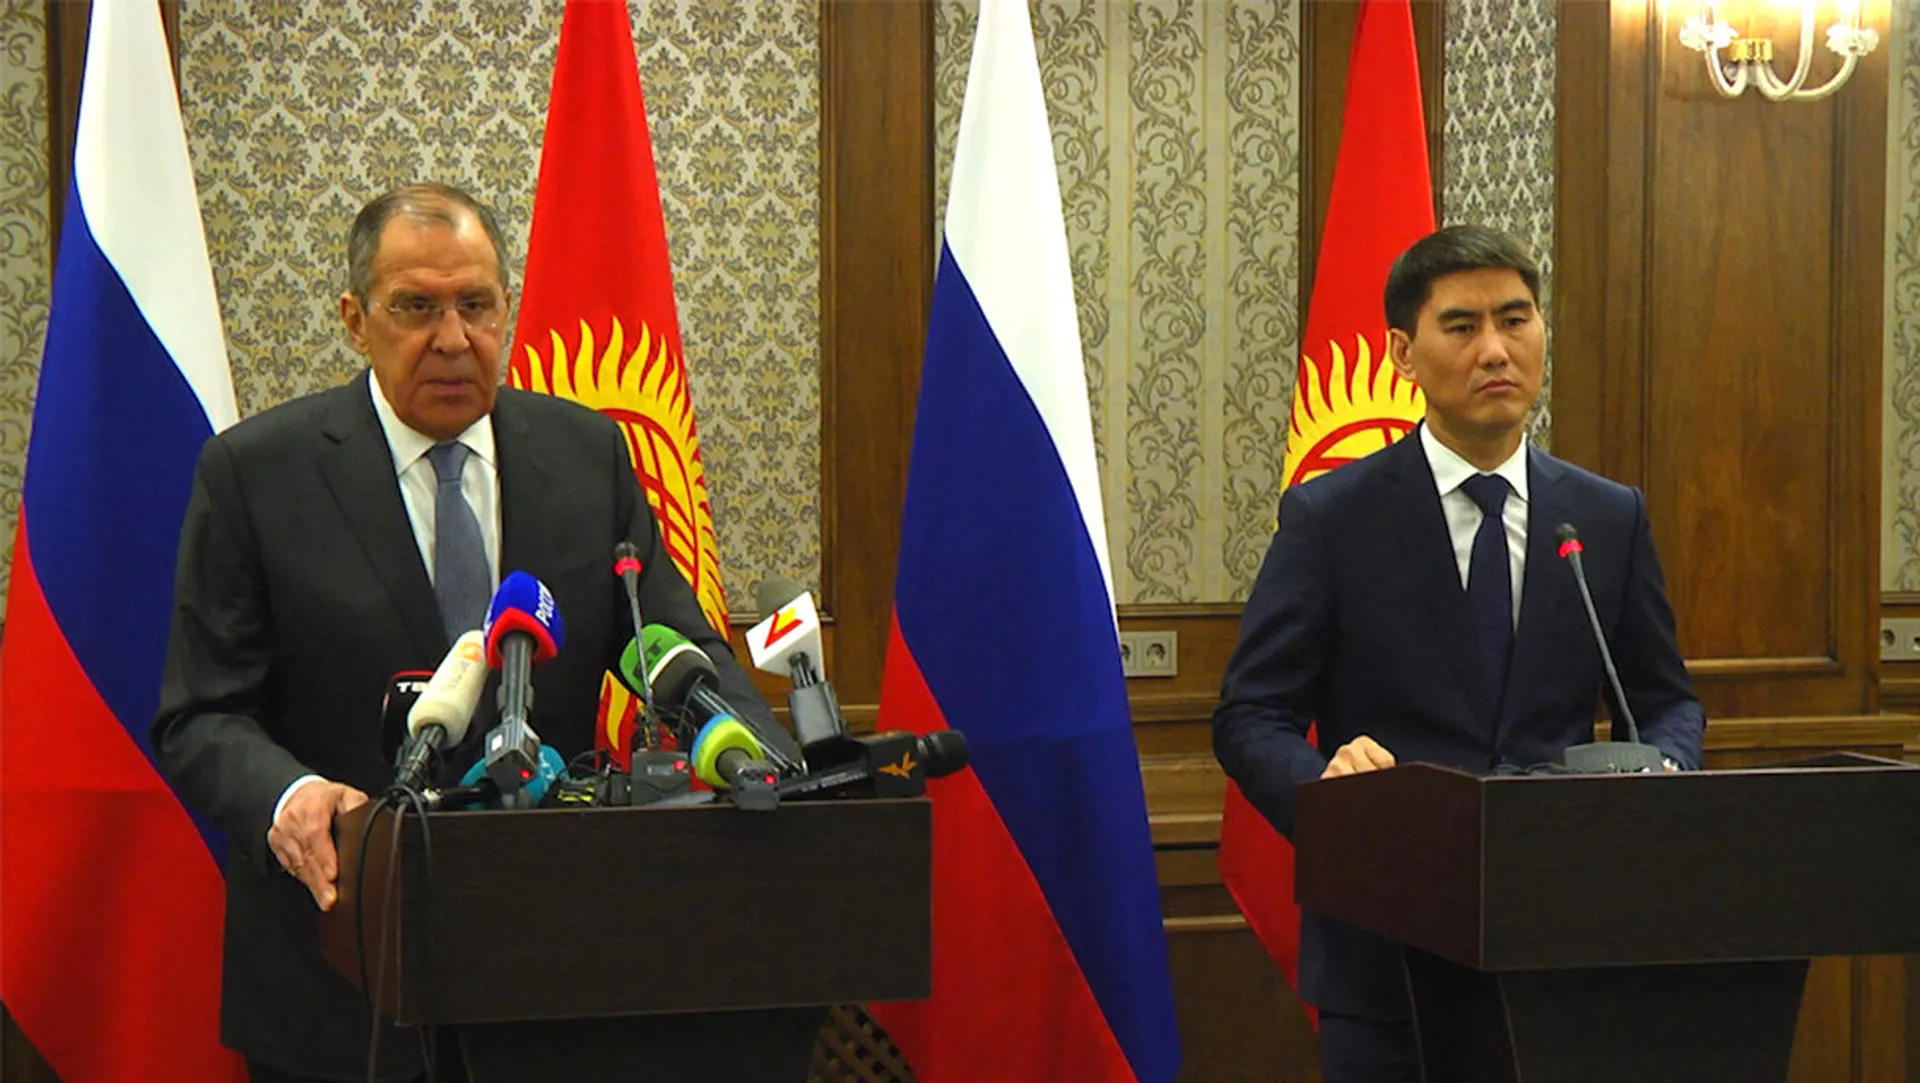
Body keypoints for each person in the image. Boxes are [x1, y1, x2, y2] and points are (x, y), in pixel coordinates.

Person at [152, 183, 776, 1083]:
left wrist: (771, 761)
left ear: (504, 308)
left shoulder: (586, 456)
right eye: (416, 307)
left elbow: (674, 644)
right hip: (337, 976)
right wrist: (290, 798)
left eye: (476, 305)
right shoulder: (257, 474)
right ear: (355, 320)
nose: (453, 338)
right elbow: (201, 713)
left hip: (555, 971)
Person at [1212, 224, 1706, 1083]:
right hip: (1388, 953)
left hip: (1568, 944)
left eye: (1515, 320)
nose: (1495, 350)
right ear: (1403, 353)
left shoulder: (1605, 515)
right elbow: (1250, 715)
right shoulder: (1333, 517)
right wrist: (1329, 790)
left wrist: (1663, 769)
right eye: (1462, 326)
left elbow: (1664, 700)